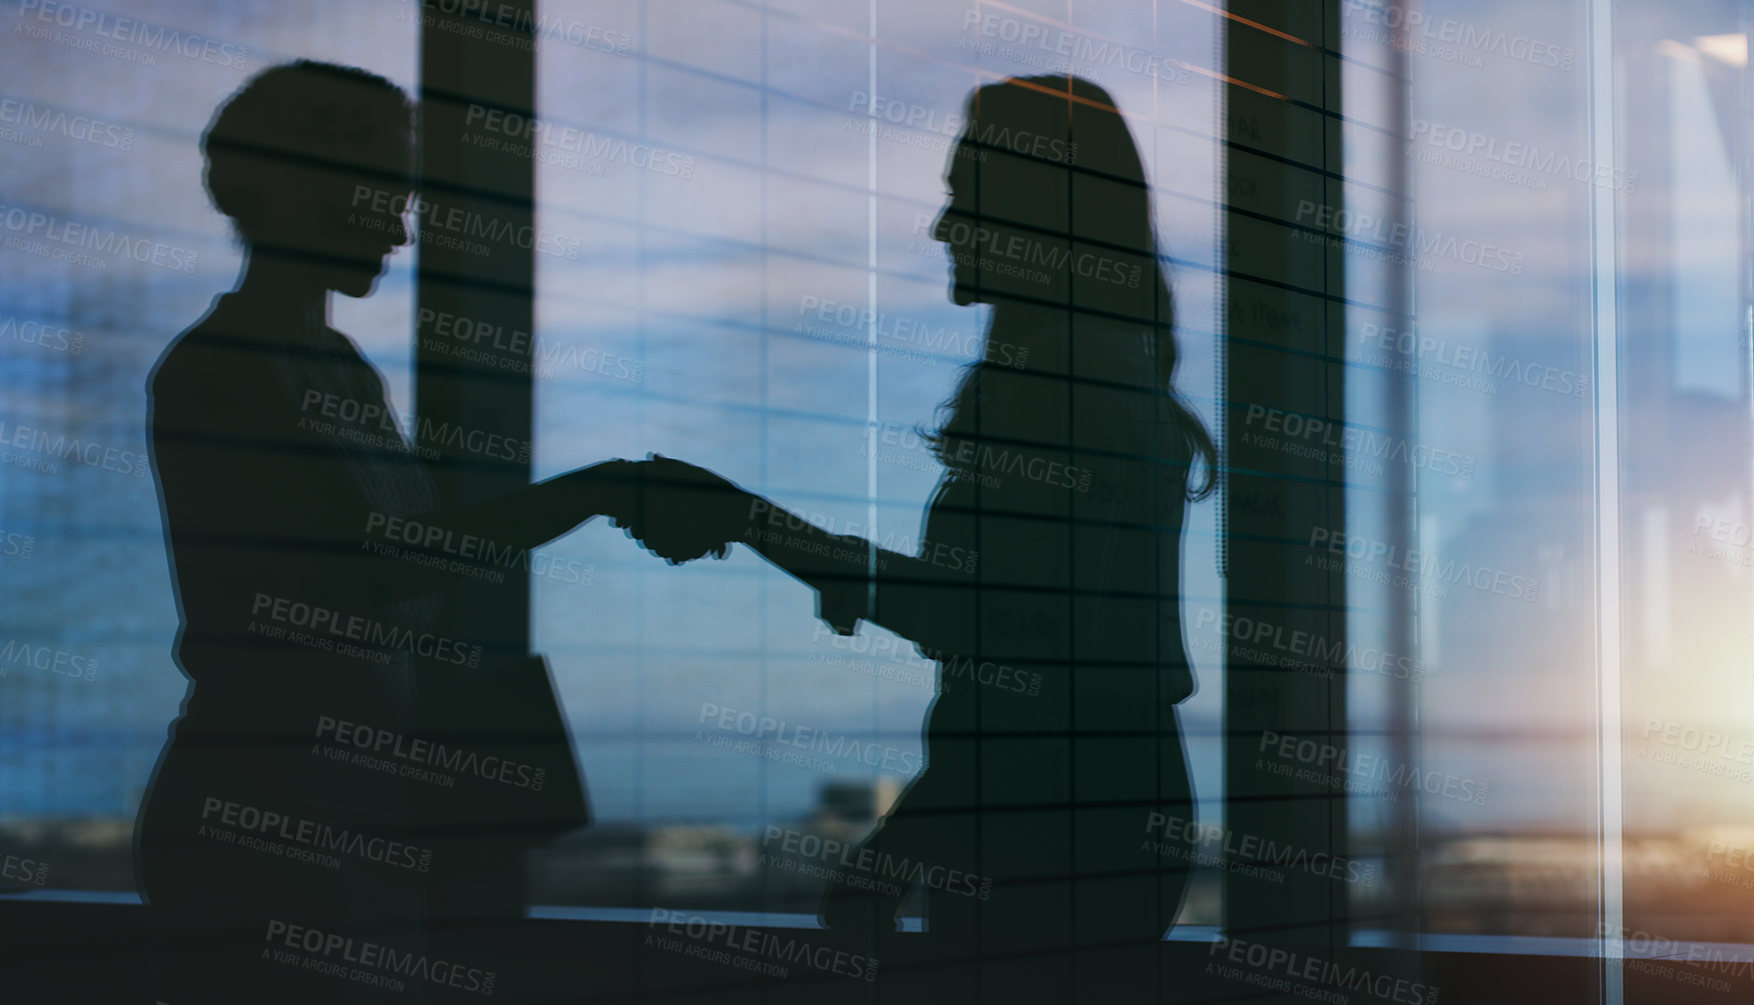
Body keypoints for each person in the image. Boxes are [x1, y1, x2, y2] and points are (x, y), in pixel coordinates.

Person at [135, 60, 712, 1002]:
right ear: (304, 183)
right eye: (381, 196)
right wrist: (602, 489)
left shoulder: (342, 370)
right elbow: (369, 570)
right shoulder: (222, 369)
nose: (401, 228)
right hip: (263, 819)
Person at [642, 75, 1216, 996]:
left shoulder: (1069, 394)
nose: (942, 227)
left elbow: (1006, 641)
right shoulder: (1084, 378)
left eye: (965, 198)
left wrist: (753, 523)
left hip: (1055, 824)